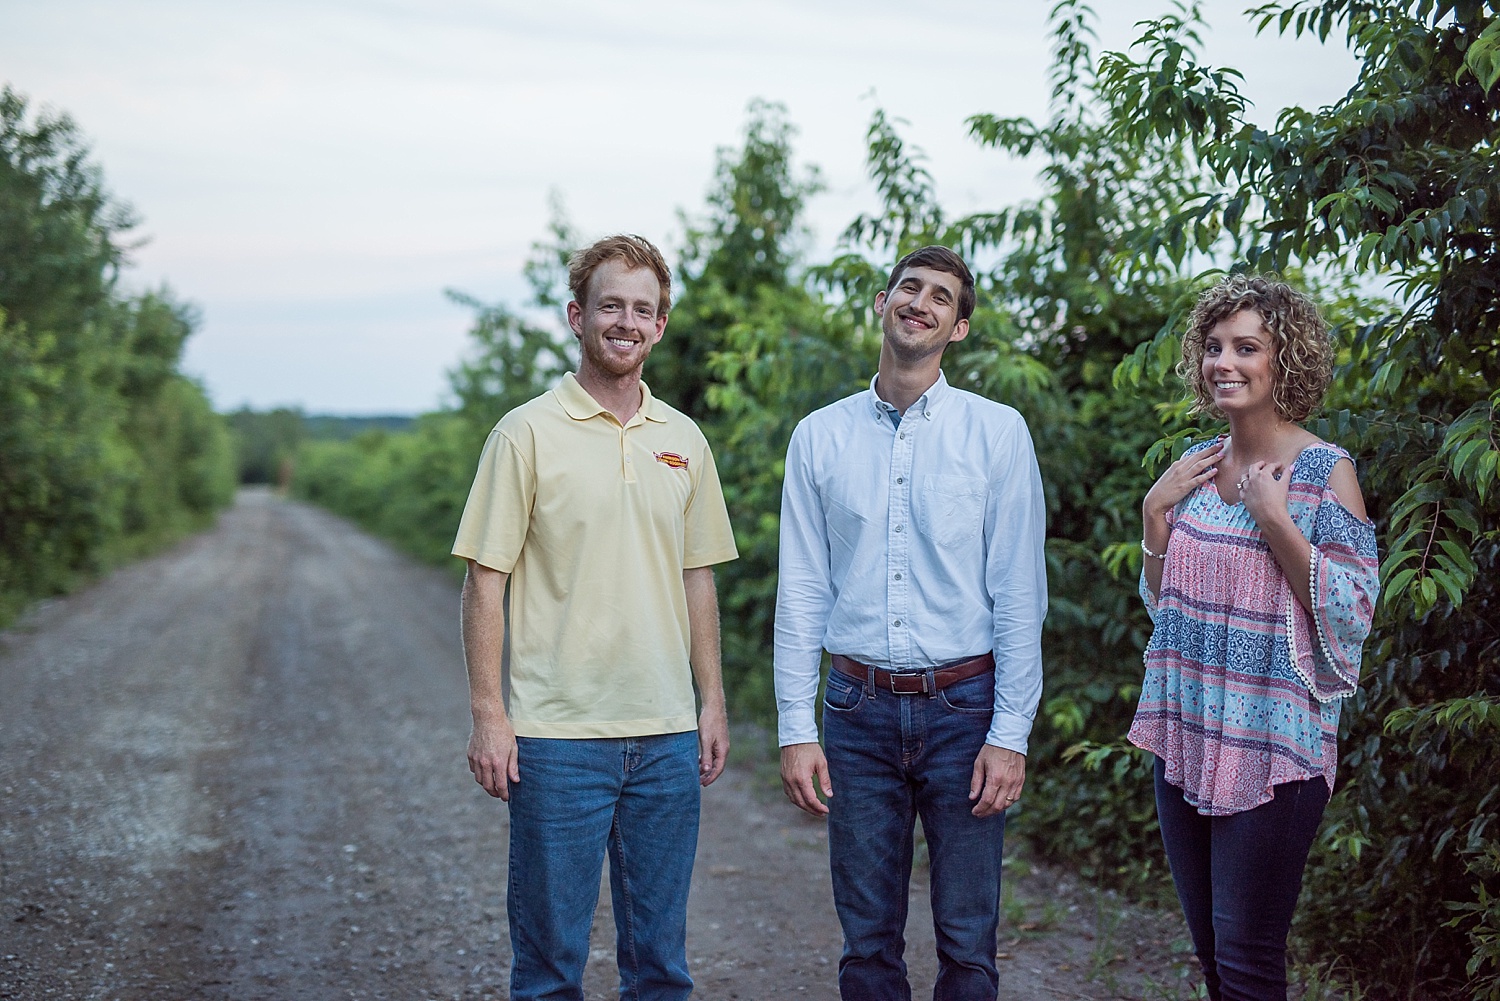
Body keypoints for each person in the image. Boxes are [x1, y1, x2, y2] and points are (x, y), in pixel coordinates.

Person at [452, 234, 738, 1001]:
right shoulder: (524, 433)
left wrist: (710, 701)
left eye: (644, 309)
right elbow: (485, 580)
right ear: (577, 316)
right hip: (556, 741)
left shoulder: (683, 439)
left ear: (661, 326)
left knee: (660, 968)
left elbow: (697, 575)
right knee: (549, 971)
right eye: (611, 304)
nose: (627, 321)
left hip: (667, 737)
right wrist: (490, 714)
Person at [775, 246, 1048, 1000]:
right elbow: (800, 588)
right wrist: (796, 726)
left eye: (941, 297)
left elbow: (1020, 591)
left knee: (968, 944)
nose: (920, 302)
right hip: (855, 712)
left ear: (958, 328)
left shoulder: (997, 433)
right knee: (867, 944)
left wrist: (1010, 732)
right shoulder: (818, 437)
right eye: (910, 287)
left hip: (966, 709)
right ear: (881, 301)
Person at [1129, 275, 1379, 1001]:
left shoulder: (1323, 473)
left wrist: (1277, 520)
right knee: (1213, 960)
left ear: (1284, 361)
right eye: (1213, 346)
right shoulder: (1197, 465)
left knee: (1247, 964)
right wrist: (1154, 516)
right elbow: (1169, 612)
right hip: (1190, 737)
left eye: (1246, 347)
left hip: (1274, 753)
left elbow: (1352, 615)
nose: (1223, 362)